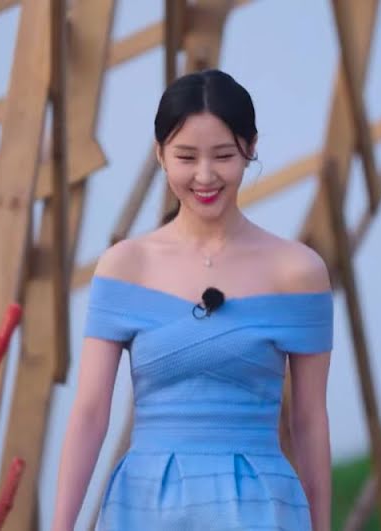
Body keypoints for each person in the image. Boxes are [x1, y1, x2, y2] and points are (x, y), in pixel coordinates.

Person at [51, 69, 333, 531]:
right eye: (186, 156)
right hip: (145, 506)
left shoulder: (298, 272)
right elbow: (90, 411)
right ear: (160, 154)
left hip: (260, 507)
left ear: (251, 148)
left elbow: (309, 420)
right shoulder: (125, 265)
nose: (205, 175)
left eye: (223, 155)